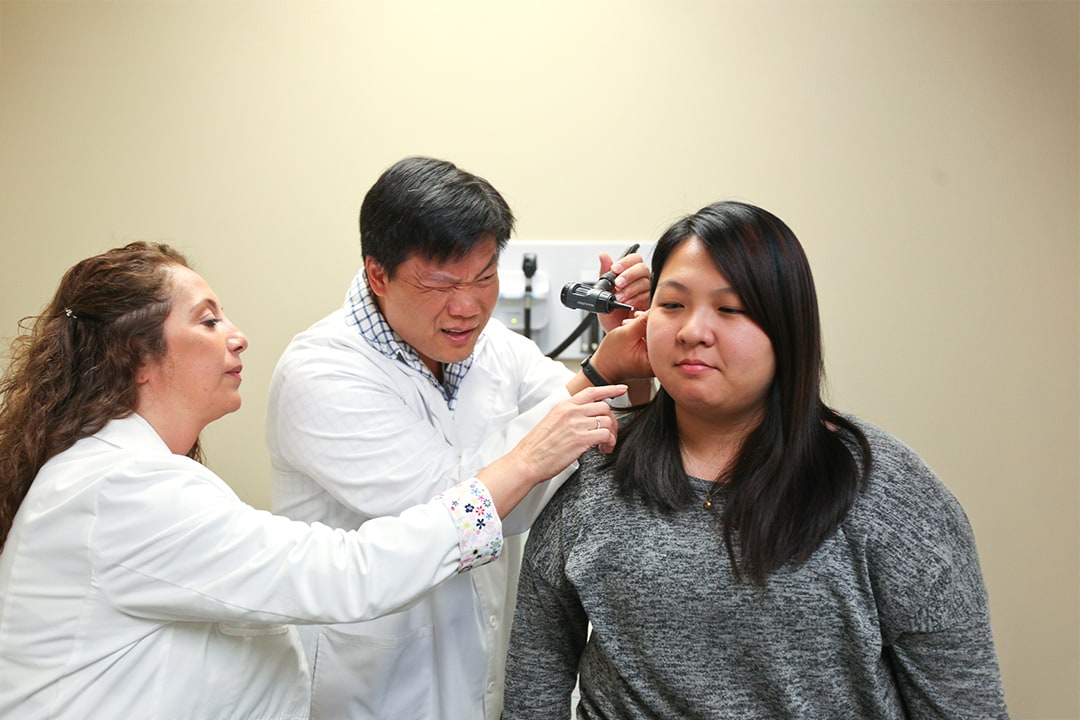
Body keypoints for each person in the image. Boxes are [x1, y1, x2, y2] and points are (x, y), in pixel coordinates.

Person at [0, 241, 626, 719]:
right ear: (135, 355)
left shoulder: (131, 477)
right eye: (209, 320)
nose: (238, 337)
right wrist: (523, 462)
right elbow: (351, 572)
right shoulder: (123, 491)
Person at [502, 201, 1010, 719]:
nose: (693, 331)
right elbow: (531, 691)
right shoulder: (594, 464)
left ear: (786, 330)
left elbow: (964, 704)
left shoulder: (887, 493)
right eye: (672, 305)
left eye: (730, 309)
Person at [267, 156, 652, 718]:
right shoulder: (320, 372)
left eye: (484, 277)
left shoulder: (493, 347)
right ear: (379, 274)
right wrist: (594, 374)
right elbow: (447, 509)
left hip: (481, 680)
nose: (468, 306)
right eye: (441, 283)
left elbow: (598, 439)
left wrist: (631, 359)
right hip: (369, 691)